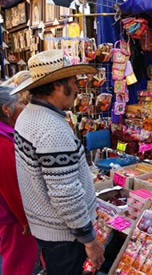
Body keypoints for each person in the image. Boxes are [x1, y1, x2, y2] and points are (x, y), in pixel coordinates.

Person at [11, 49, 105, 275]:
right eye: (73, 82)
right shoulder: (52, 129)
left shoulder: (28, 115)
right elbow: (65, 194)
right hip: (64, 236)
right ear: (56, 86)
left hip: (47, 229)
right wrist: (90, 240)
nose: (76, 88)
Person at [0, 85, 38, 275]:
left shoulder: (7, 136)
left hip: (10, 214)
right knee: (18, 263)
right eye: (20, 103)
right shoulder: (3, 143)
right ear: (6, 109)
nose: (24, 107)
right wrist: (25, 219)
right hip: (13, 217)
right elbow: (11, 187)